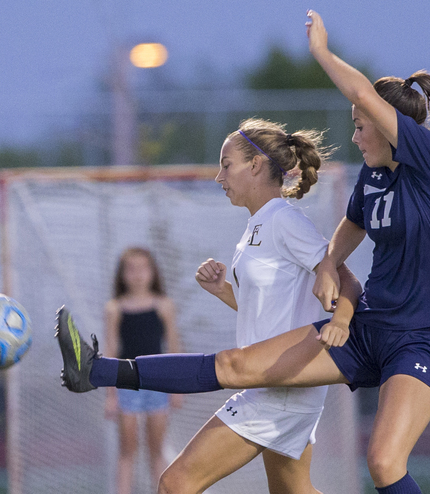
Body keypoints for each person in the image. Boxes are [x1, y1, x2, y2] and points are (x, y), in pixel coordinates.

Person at [56, 10, 430, 494]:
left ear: (391, 129)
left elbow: (364, 93)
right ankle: (95, 370)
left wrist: (322, 53)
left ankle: (97, 371)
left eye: (360, 125)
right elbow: (350, 226)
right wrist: (327, 264)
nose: (354, 134)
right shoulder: (373, 177)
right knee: (238, 372)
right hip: (371, 329)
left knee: (384, 463)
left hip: (422, 337)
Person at [59, 117, 362, 494]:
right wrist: (223, 291)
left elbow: (345, 278)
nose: (219, 177)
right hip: (274, 381)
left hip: (278, 386)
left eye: (226, 164)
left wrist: (343, 319)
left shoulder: (285, 221)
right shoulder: (257, 225)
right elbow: (269, 311)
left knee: (175, 484)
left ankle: (98, 370)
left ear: (255, 166)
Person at [104, 247, 182, 494]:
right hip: (127, 385)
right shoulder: (114, 308)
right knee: (127, 450)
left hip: (158, 384)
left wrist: (177, 387)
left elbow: (173, 346)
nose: (138, 274)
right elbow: (110, 349)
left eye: (143, 268)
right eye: (131, 268)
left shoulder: (163, 306)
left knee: (156, 449)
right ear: (122, 274)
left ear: (153, 272)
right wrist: (110, 394)